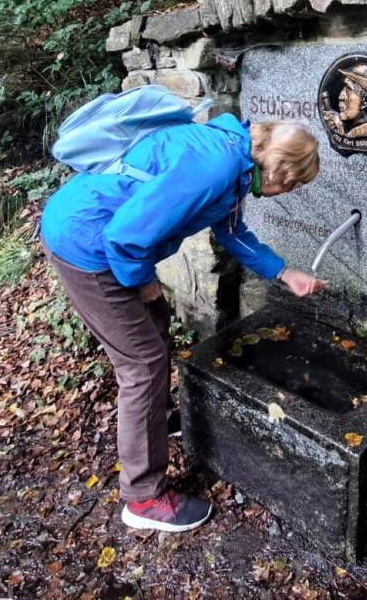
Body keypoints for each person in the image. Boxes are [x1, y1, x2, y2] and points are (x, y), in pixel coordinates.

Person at [40, 113, 325, 533]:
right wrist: (143, 283)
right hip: (87, 244)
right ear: (280, 168)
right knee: (142, 363)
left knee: (155, 326)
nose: (289, 191)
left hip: (101, 237)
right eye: (294, 183)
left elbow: (232, 232)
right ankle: (143, 497)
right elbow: (125, 237)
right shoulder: (215, 166)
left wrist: (283, 272)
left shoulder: (237, 161)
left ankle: (155, 420)